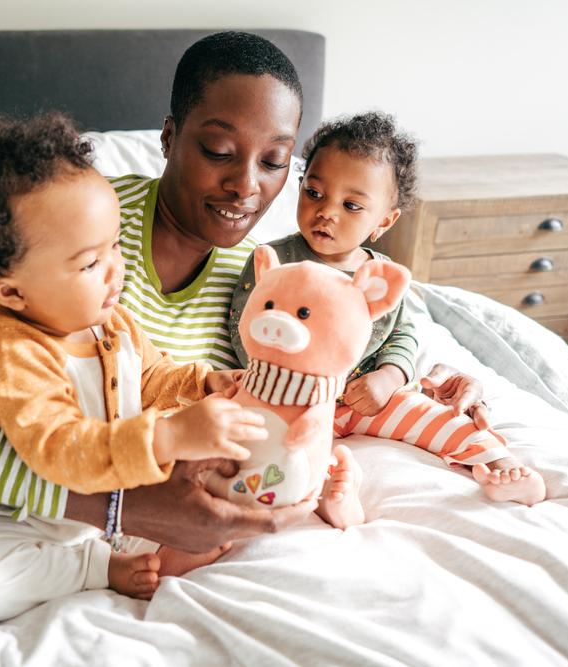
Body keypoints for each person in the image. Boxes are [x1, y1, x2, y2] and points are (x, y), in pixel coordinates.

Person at [0, 31, 488, 558]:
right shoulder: (71, 210)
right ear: (171, 136)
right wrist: (115, 509)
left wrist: (424, 382)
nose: (247, 185)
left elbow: (345, 336)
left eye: (276, 161)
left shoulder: (259, 291)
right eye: (218, 149)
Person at [0, 113, 276, 618]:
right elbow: (57, 446)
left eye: (115, 244)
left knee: (214, 493)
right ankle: (97, 569)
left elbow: (155, 377)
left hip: (116, 501)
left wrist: (207, 382)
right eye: (90, 263)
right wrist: (168, 436)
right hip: (25, 516)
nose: (117, 268)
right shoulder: (10, 345)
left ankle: (141, 550)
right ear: (11, 291)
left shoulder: (112, 322)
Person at [229, 111, 546, 510]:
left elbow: (403, 333)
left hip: (366, 400)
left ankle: (502, 465)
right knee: (277, 445)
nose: (327, 211)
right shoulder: (276, 260)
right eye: (314, 193)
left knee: (437, 417)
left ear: (384, 221)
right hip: (290, 399)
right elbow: (247, 324)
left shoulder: (378, 276)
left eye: (351, 205)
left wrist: (388, 377)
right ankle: (328, 491)